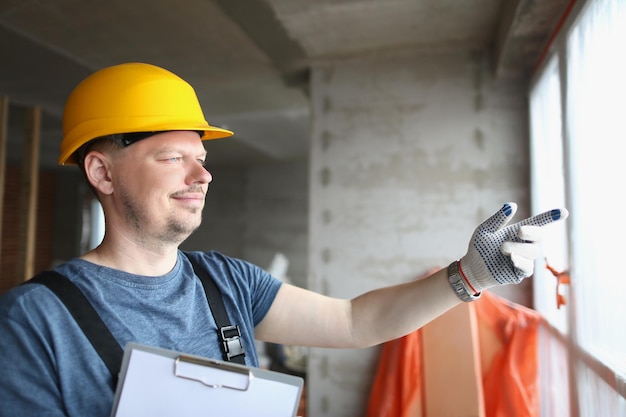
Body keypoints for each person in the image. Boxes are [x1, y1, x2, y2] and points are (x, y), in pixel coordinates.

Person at [0, 62, 568, 417]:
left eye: (201, 158)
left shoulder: (224, 282)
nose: (202, 176)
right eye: (173, 157)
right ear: (101, 173)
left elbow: (355, 322)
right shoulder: (35, 319)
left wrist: (469, 275)